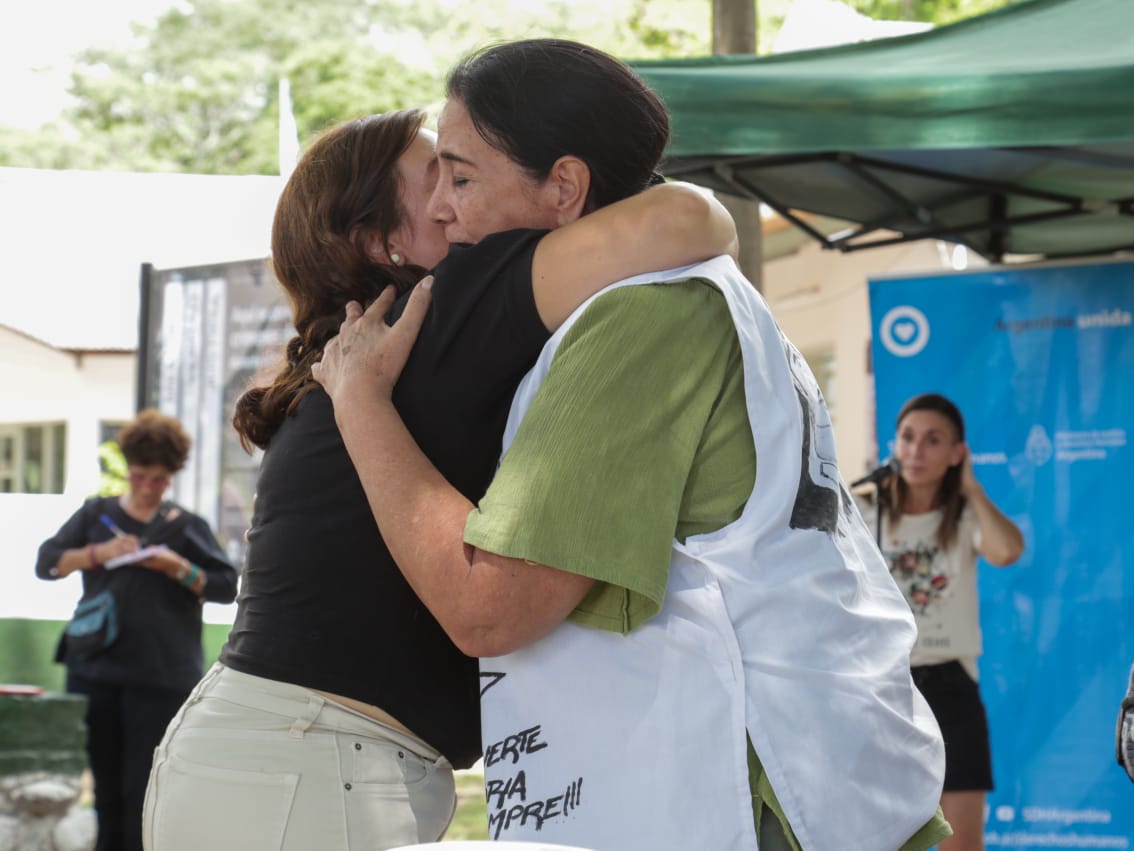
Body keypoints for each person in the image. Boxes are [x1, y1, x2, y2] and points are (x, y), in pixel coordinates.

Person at [313, 38, 952, 851]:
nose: (442, 207)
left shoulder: (642, 315)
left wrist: (363, 408)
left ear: (565, 187)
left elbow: (489, 606)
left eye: (463, 176)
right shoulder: (685, 292)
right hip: (817, 769)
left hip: (759, 791)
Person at [140, 104, 737, 850]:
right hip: (304, 765)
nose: (458, 199)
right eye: (441, 177)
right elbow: (689, 218)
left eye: (465, 174)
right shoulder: (442, 303)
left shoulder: (369, 353)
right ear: (382, 241)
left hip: (271, 759)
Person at [35, 409, 238, 851]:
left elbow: (225, 587)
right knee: (104, 785)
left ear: (171, 477)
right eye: (141, 477)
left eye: (159, 480)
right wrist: (98, 553)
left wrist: (177, 567)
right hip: (95, 669)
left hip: (160, 676)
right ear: (129, 470)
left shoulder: (184, 527)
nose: (148, 488)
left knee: (145, 787)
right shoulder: (96, 515)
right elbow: (47, 563)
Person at [855, 393, 1025, 851]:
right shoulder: (865, 510)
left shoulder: (965, 514)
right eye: (908, 438)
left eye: (933, 441)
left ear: (956, 454)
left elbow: (1007, 550)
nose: (916, 450)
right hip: (881, 686)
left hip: (950, 687)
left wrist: (972, 488)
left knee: (962, 844)